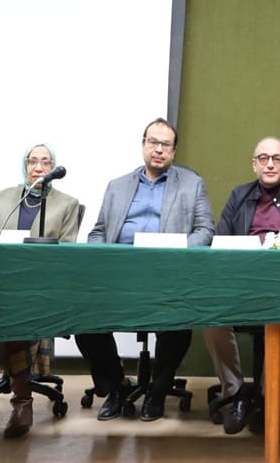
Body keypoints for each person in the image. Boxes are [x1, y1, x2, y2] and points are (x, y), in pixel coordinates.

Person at [75, 118, 214, 422]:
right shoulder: (117, 186)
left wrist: (177, 254)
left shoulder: (192, 184)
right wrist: (103, 259)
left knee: (179, 322)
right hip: (120, 276)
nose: (158, 149)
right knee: (83, 318)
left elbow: (205, 230)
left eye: (166, 144)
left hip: (168, 276)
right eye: (153, 142)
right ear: (143, 145)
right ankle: (116, 387)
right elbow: (98, 231)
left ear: (173, 151)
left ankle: (157, 391)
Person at [0, 144, 80, 448]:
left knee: (13, 320)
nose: (39, 167)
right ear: (25, 165)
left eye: (45, 162)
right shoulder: (4, 197)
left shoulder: (67, 204)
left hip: (37, 291)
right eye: (33, 161)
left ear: (53, 167)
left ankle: (22, 404)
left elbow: (66, 256)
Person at [206, 136, 280, 434]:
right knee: (211, 318)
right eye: (263, 158)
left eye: (277, 158)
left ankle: (269, 393)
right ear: (254, 165)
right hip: (241, 283)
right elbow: (219, 242)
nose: (270, 164)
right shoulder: (239, 195)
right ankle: (237, 393)